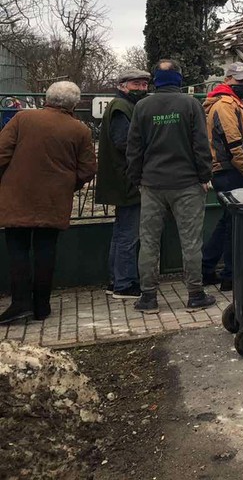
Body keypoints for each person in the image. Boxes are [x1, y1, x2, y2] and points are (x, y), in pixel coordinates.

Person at [0, 81, 97, 325]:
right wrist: (68, 184)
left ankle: (20, 303)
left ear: (47, 98)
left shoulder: (23, 119)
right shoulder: (80, 130)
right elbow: (88, 169)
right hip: (54, 199)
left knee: (18, 249)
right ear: (74, 104)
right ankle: (42, 305)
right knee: (46, 249)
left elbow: (1, 152)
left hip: (17, 195)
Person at [127, 60, 215, 313]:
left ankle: (148, 297)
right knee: (191, 241)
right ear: (179, 79)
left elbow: (134, 148)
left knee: (149, 241)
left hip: (152, 184)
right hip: (186, 184)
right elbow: (201, 144)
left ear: (155, 80)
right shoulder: (190, 104)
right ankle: (195, 294)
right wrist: (204, 176)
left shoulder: (142, 106)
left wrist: (137, 179)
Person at [95, 68, 151, 299]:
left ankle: (116, 279)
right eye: (136, 84)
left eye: (144, 84)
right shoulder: (121, 108)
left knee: (121, 232)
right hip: (126, 178)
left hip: (122, 177)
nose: (140, 88)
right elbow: (125, 142)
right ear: (122, 85)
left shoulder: (124, 106)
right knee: (129, 233)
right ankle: (125, 283)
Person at [201, 62, 243, 291]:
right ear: (229, 80)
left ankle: (207, 267)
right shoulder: (225, 105)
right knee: (234, 224)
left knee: (226, 222)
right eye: (241, 81)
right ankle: (229, 276)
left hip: (228, 169)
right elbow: (234, 143)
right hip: (229, 170)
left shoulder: (232, 102)